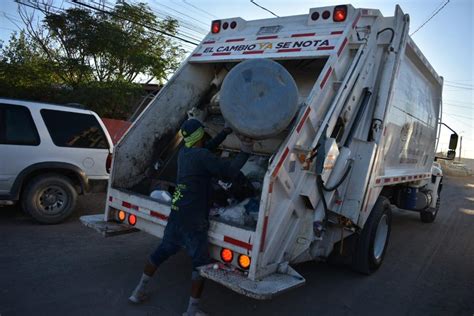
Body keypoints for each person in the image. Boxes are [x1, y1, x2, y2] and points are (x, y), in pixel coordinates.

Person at [129, 118, 253, 316]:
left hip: (177, 214)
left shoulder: (184, 153)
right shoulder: (201, 156)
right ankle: (192, 311)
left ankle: (138, 291)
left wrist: (224, 132)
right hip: (194, 221)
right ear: (200, 136)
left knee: (160, 253)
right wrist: (246, 150)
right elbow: (229, 172)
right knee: (200, 265)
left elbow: (206, 149)